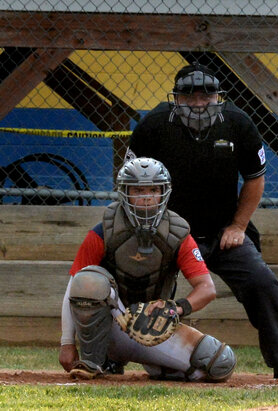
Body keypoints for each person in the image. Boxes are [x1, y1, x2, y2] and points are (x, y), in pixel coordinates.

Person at [126, 63, 278, 379]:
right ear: (176, 98)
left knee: (263, 282)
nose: (198, 103)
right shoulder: (155, 125)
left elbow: (255, 179)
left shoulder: (238, 123)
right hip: (168, 232)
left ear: (218, 97)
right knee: (135, 278)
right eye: (189, 96)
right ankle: (119, 353)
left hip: (223, 230)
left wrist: (238, 226)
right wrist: (148, 228)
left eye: (205, 95)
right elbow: (130, 181)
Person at [59, 158, 236, 381]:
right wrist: (66, 342)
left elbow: (207, 289)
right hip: (112, 325)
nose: (146, 197)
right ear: (125, 193)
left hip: (152, 328)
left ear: (164, 193)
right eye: (138, 190)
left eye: (153, 189)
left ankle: (155, 364)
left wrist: (174, 309)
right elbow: (74, 286)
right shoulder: (104, 230)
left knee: (219, 362)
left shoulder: (177, 233)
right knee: (89, 281)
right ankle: (95, 360)